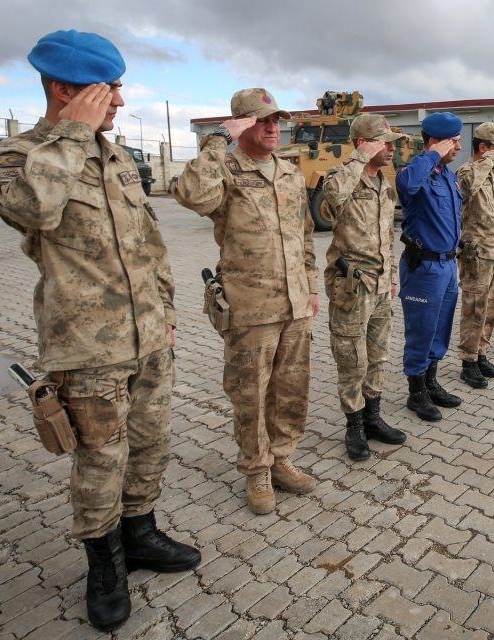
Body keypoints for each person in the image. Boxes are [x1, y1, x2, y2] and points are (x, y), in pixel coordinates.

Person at [0, 30, 200, 631]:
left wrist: (169, 314)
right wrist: (72, 134)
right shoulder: (16, 156)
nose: (121, 104)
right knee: (102, 458)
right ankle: (104, 564)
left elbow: (149, 245)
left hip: (150, 334)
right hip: (86, 344)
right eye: (110, 91)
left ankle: (142, 533)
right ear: (64, 90)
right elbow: (33, 211)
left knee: (151, 442)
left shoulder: (118, 156)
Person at [172, 88, 319, 514]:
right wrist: (218, 139)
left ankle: (282, 458)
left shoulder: (290, 174)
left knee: (291, 387)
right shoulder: (226, 169)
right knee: (250, 392)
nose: (273, 127)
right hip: (250, 305)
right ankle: (256, 469)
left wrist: (310, 287)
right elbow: (192, 194)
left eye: (276, 120)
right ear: (241, 125)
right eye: (262, 120)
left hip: (294, 303)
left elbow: (305, 235)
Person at [322, 113, 408, 460]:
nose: (390, 148)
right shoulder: (341, 178)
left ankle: (373, 418)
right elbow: (332, 195)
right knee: (351, 360)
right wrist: (358, 156)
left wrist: (390, 276)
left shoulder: (382, 183)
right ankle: (354, 425)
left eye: (391, 142)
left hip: (380, 286)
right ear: (362, 144)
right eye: (382, 142)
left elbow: (387, 235)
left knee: (378, 355)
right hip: (352, 288)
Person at [396, 112, 463, 422]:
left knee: (440, 328)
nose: (459, 148)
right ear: (436, 142)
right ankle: (416, 391)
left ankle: (431, 380)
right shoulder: (415, 172)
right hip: (424, 268)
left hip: (448, 265)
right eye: (454, 142)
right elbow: (407, 185)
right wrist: (431, 155)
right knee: (421, 329)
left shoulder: (447, 175)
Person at [455, 122, 494, 389]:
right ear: (483, 148)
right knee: (474, 310)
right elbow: (467, 189)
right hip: (476, 254)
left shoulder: (491, 175)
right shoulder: (468, 170)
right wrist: (488, 161)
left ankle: (481, 354)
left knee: (489, 309)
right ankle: (468, 362)